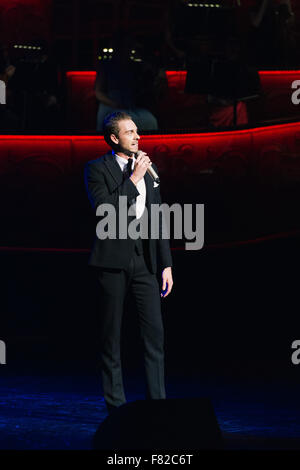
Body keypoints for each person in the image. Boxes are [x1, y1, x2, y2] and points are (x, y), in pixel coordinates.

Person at [84, 111, 173, 414]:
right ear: (113, 138)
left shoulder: (148, 168)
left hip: (145, 260)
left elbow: (159, 216)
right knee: (111, 339)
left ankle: (158, 407)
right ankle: (117, 410)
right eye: (130, 132)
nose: (138, 137)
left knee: (154, 336)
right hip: (112, 262)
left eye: (138, 131)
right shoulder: (97, 169)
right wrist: (133, 179)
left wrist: (166, 263)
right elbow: (105, 211)